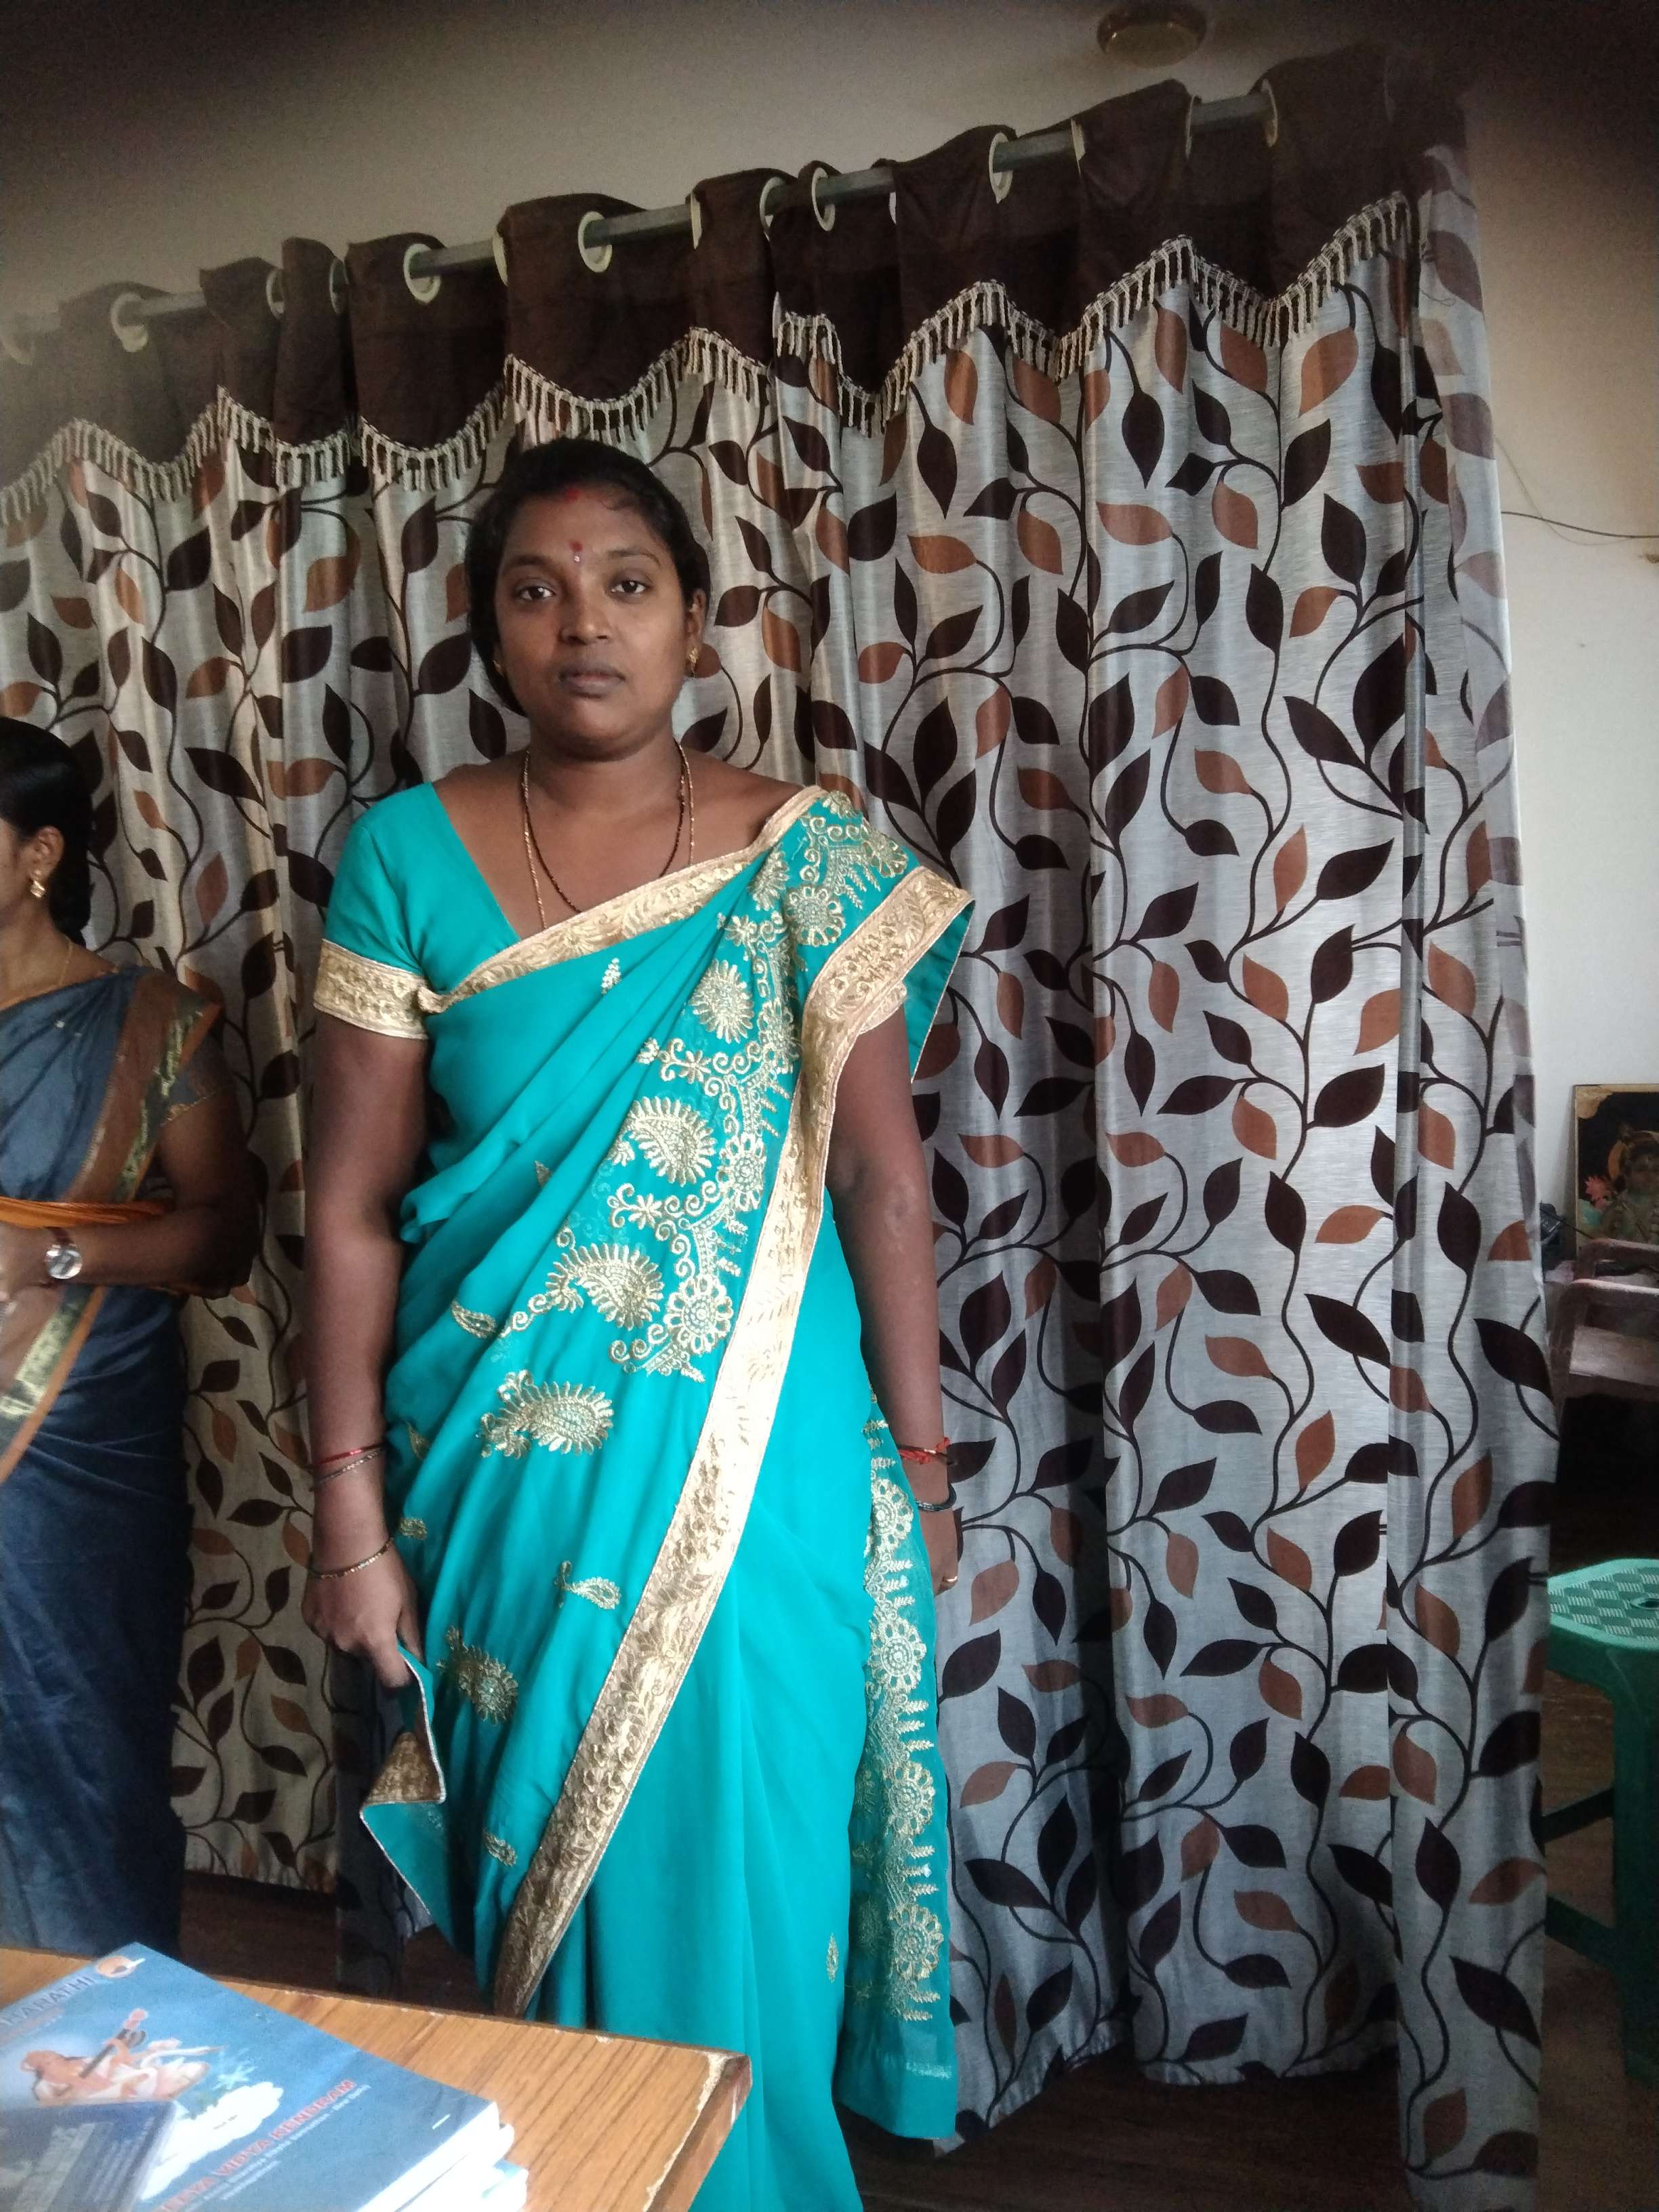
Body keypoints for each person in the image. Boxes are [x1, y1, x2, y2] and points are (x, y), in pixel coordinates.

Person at [304, 438, 971, 2209]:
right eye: (535, 590)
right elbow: (349, 1208)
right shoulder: (405, 855)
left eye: (626, 584)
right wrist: (347, 1509)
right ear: (486, 632)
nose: (582, 624)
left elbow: (884, 1182)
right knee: (554, 1897)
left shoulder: (810, 858)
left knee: (754, 1876)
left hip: (770, 1481)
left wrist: (919, 1460)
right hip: (500, 1474)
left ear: (694, 618)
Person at [0, 720, 260, 1955]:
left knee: (74, 1738)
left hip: (76, 1451)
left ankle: (83, 2033)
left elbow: (222, 1235)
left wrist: (50, 1256)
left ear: (38, 853)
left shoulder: (148, 1023)